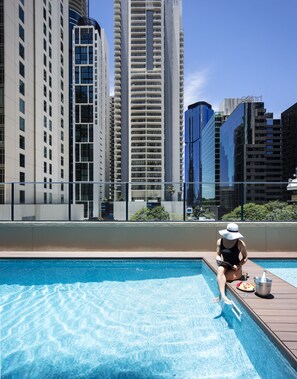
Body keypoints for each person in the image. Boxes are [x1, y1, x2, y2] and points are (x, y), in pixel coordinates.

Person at [214, 223, 248, 304]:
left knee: (222, 277)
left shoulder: (240, 243)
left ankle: (220, 296)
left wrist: (239, 265)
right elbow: (218, 255)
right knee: (220, 269)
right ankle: (223, 296)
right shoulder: (220, 241)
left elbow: (245, 257)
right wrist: (218, 259)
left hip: (236, 268)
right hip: (225, 264)